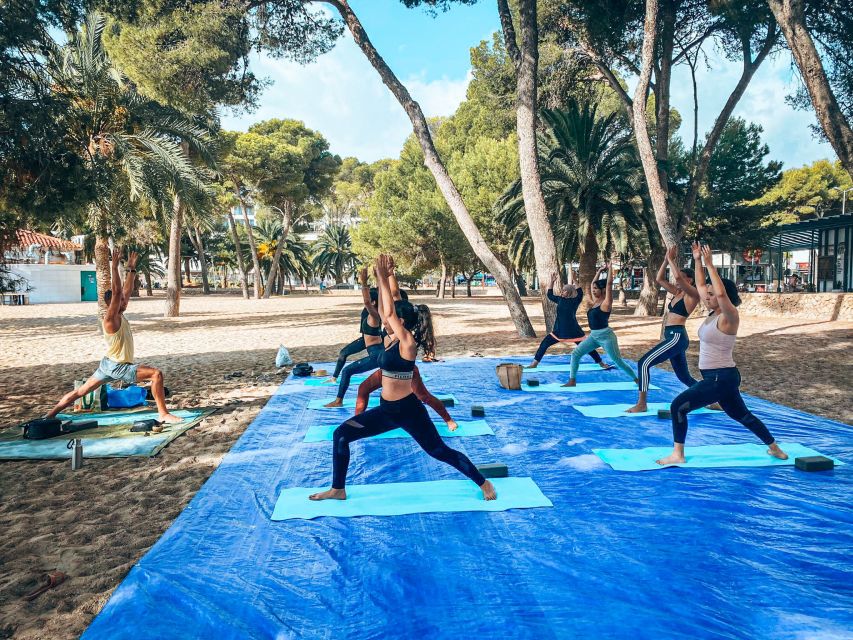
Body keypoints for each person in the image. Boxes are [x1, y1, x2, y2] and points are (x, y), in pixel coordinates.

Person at [310, 254, 496, 502]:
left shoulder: (407, 343)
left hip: (408, 411)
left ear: (403, 322)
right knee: (341, 435)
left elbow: (389, 312)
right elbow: (385, 310)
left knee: (439, 451)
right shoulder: (389, 339)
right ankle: (338, 489)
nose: (386, 320)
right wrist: (384, 278)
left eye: (393, 319)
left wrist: (382, 276)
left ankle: (483, 482)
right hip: (386, 411)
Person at [656, 243, 788, 465]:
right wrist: (697, 260)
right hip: (721, 377)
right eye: (706, 295)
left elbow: (719, 292)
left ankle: (678, 455)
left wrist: (710, 265)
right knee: (741, 415)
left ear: (723, 296)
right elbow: (701, 285)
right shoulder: (712, 312)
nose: (706, 297)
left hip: (720, 377)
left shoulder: (729, 316)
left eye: (711, 295)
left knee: (678, 407)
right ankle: (775, 449)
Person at [47, 248, 182, 423]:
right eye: (120, 301)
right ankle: (163, 414)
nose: (125, 302)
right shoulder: (110, 318)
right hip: (118, 366)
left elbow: (125, 291)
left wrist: (131, 269)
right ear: (112, 304)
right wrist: (114, 267)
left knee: (80, 392)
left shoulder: (120, 312)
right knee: (156, 375)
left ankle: (49, 416)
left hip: (108, 364)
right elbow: (118, 292)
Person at [626, 246, 700, 413]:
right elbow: (659, 279)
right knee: (684, 377)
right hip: (672, 337)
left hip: (676, 336)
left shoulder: (692, 294)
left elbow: (678, 278)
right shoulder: (677, 293)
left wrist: (672, 260)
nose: (677, 280)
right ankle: (713, 399)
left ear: (689, 280)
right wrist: (666, 260)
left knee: (643, 363)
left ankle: (642, 404)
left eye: (682, 277)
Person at [562, 262, 638, 387]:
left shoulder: (606, 302)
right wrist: (600, 270)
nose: (593, 290)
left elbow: (609, 284)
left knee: (617, 361)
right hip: (593, 336)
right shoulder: (596, 301)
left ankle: (637, 380)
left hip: (606, 337)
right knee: (575, 354)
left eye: (596, 289)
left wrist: (610, 268)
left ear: (603, 290)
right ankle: (572, 381)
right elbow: (593, 282)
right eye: (593, 289)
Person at [526, 270, 613, 370]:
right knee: (544, 344)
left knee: (589, 348)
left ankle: (601, 363)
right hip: (559, 331)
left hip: (573, 331)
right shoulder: (560, 299)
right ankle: (534, 363)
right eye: (562, 290)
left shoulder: (575, 300)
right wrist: (552, 281)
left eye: (564, 290)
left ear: (569, 292)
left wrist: (575, 280)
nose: (562, 292)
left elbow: (580, 292)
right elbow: (549, 294)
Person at [323, 267, 383, 408]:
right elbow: (380, 295)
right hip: (377, 352)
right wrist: (379, 277)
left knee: (347, 371)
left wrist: (364, 283)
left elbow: (367, 302)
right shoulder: (377, 312)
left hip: (376, 354)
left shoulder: (374, 315)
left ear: (373, 303)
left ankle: (338, 401)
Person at [355, 367, 458, 431]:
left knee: (424, 396)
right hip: (387, 369)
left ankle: (448, 420)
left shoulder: (405, 340)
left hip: (406, 369)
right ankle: (358, 421)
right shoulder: (387, 339)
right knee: (363, 388)